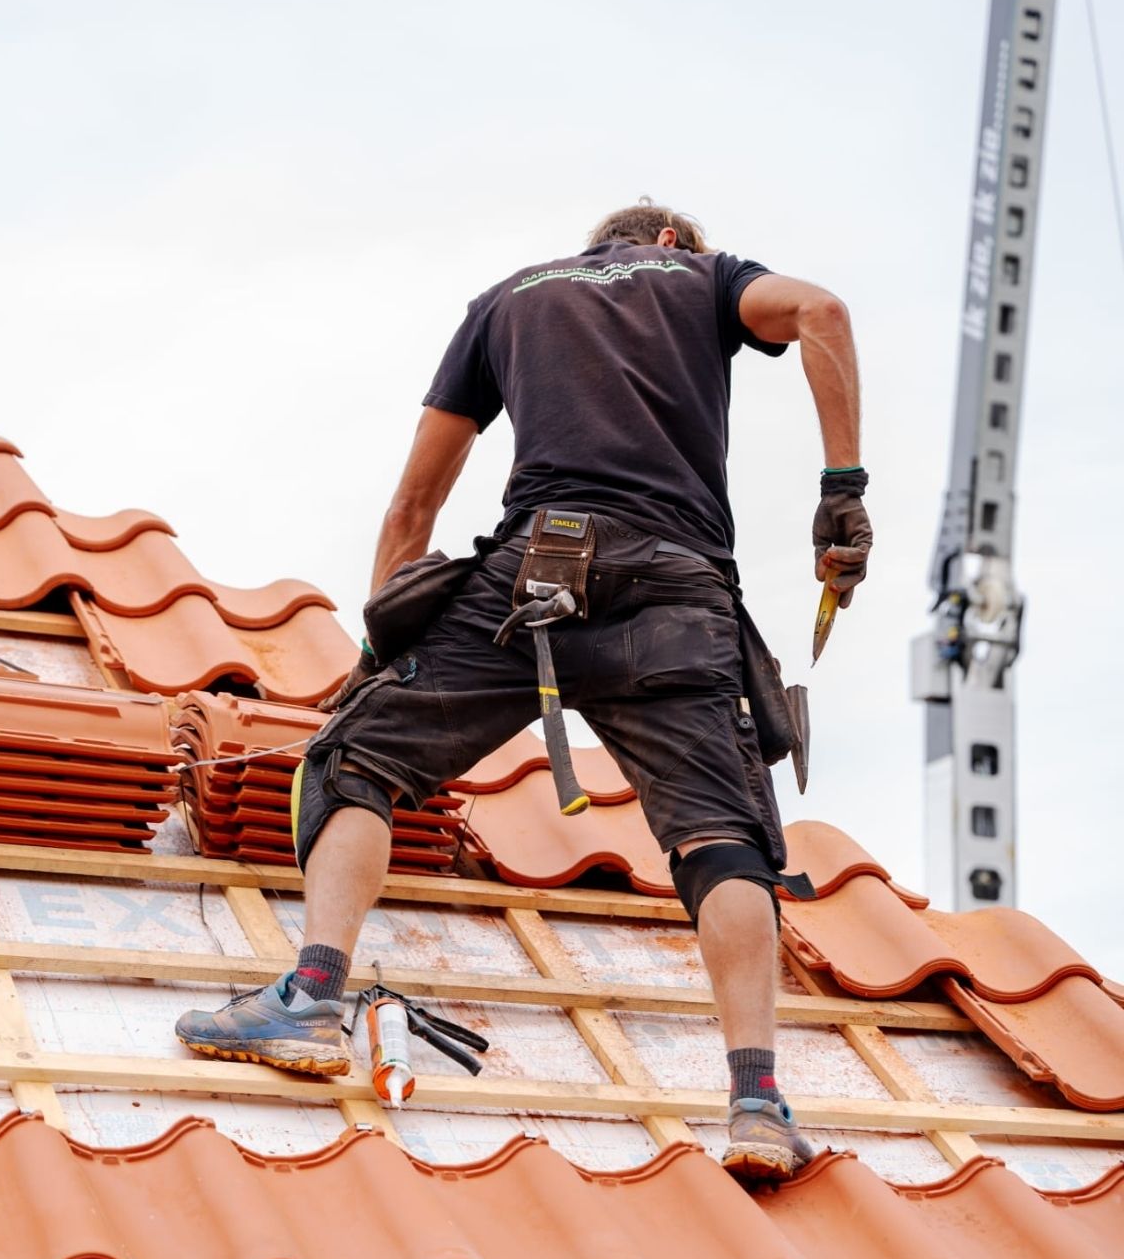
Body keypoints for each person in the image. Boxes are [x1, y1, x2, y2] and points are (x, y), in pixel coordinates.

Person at [175, 200, 872, 1181]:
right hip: (678, 591)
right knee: (724, 840)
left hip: (537, 576)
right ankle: (755, 1103)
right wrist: (844, 489)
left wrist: (383, 659)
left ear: (601, 245)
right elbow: (825, 314)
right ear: (672, 241)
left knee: (354, 759)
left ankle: (310, 1000)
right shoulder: (705, 281)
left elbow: (413, 504)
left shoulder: (507, 300)